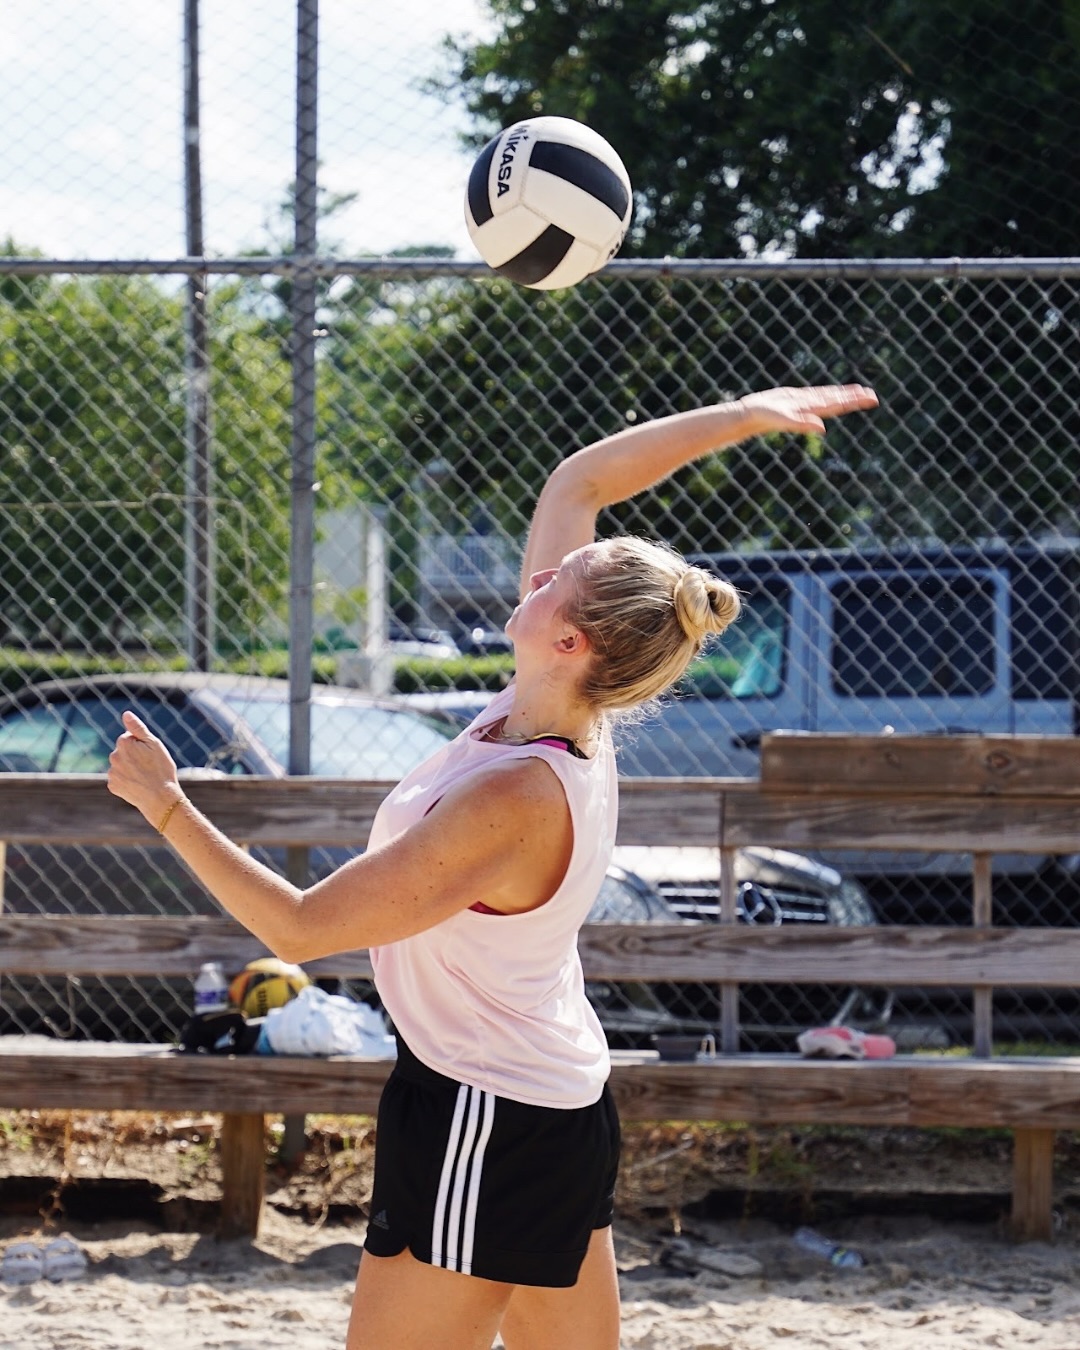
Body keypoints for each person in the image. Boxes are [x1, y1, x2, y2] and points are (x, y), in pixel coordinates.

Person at [107, 383, 877, 1350]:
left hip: (491, 1112)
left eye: (562, 579)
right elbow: (583, 478)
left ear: (571, 641)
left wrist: (164, 803)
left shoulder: (512, 798)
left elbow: (299, 929)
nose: (542, 572)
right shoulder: (553, 710)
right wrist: (743, 415)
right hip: (541, 1094)